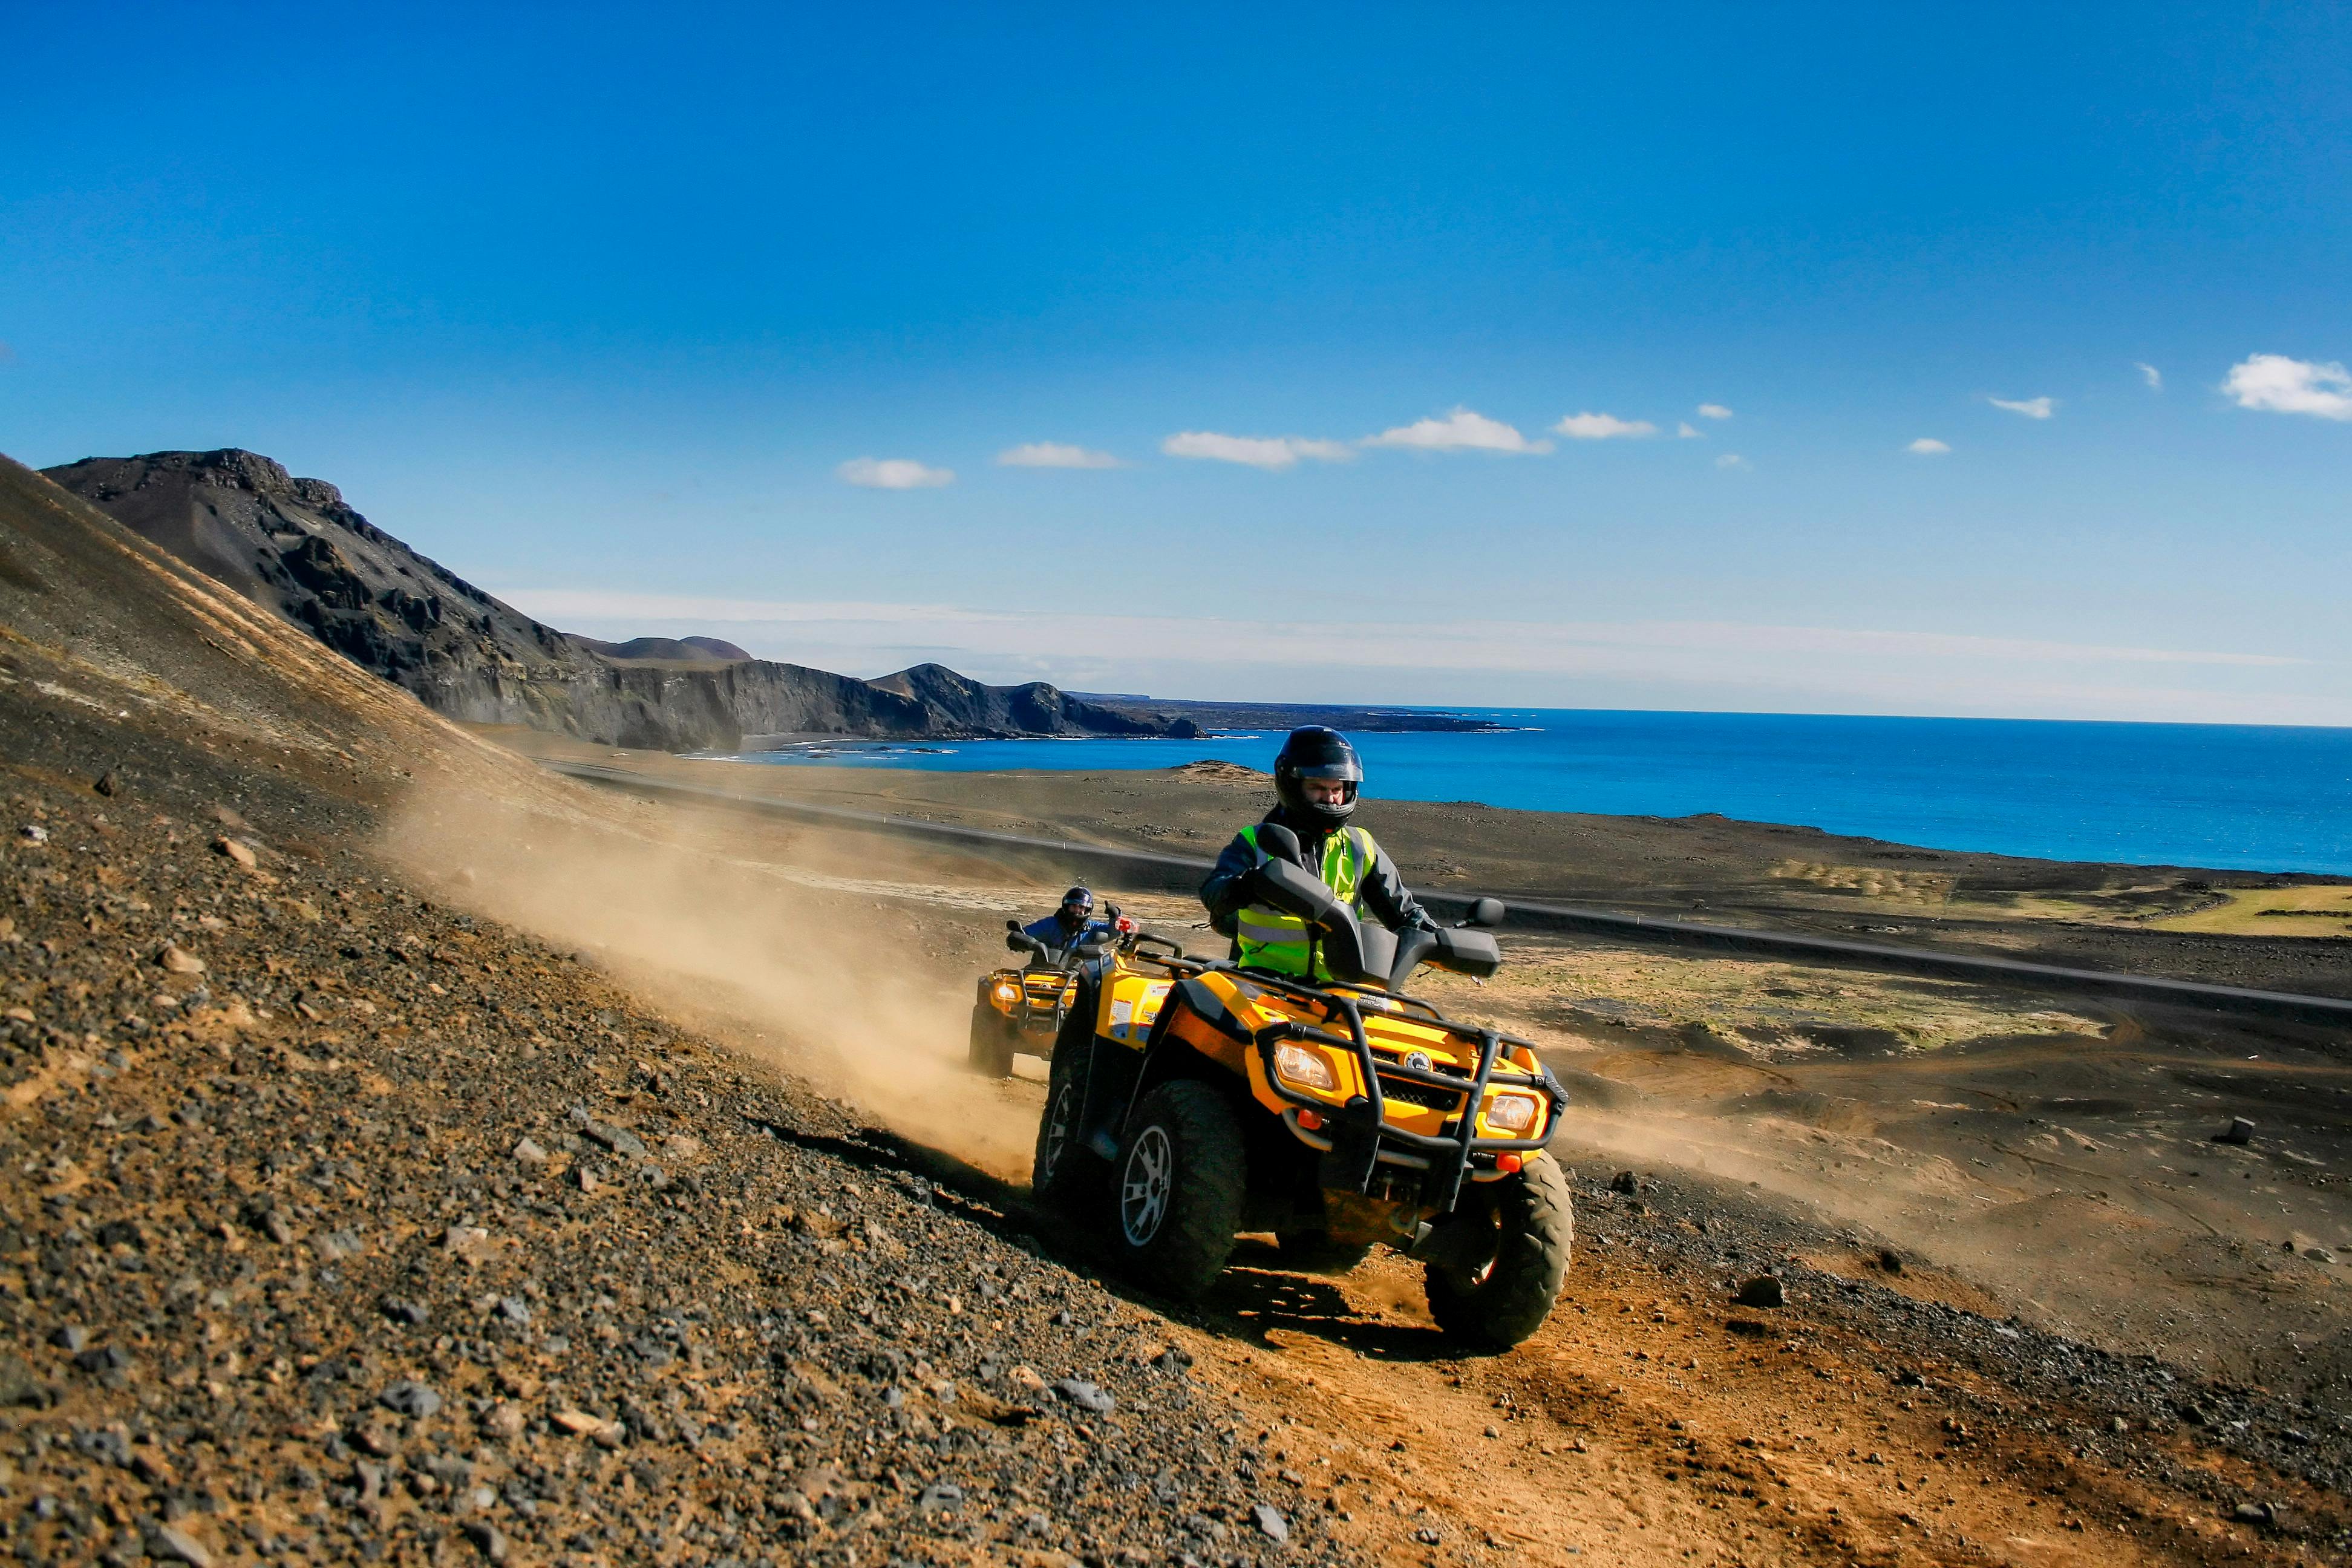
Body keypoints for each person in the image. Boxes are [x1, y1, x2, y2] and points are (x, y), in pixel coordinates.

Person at [1200, 727, 1433, 978]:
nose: (1331, 798)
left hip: (1339, 988)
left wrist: (1440, 940)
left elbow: (1404, 912)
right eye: (1318, 787)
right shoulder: (1256, 841)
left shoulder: (1361, 846)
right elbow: (1214, 892)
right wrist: (1248, 885)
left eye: (1337, 788)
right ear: (1293, 785)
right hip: (1263, 980)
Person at [1022, 886, 1112, 963]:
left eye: (1081, 907)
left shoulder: (1092, 927)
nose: (1077, 911)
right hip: (1038, 971)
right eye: (1073, 906)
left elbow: (1113, 932)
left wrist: (1115, 918)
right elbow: (1024, 934)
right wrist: (1018, 939)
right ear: (1066, 906)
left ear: (1087, 910)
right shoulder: (1050, 923)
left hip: (1077, 976)